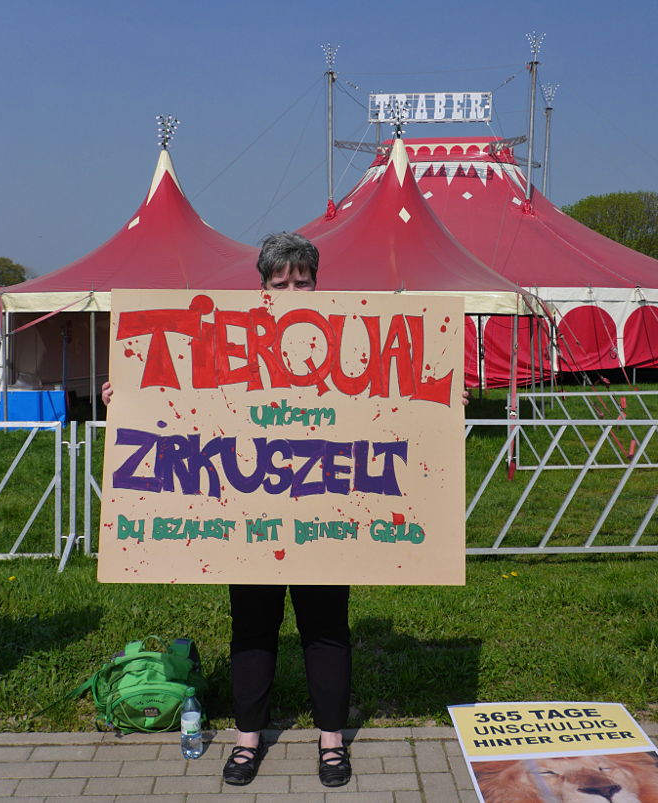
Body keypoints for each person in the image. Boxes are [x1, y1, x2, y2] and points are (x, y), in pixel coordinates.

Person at [101, 232, 470, 787]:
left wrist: (445, 404)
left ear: (319, 284)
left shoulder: (352, 341)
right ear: (264, 286)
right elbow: (177, 400)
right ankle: (248, 739)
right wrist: (124, 396)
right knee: (253, 627)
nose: (295, 290)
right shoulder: (227, 339)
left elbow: (394, 405)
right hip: (250, 520)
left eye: (304, 281)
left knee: (326, 629)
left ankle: (331, 742)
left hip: (326, 518)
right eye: (282, 282)